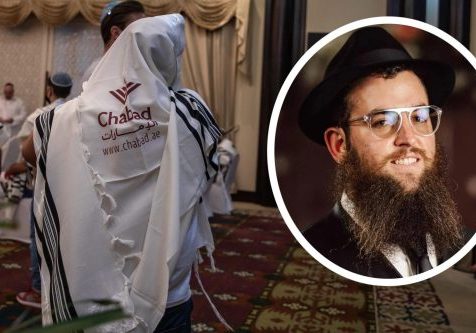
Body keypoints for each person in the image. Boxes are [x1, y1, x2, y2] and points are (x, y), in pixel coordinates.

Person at [22, 14, 224, 332]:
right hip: (169, 285)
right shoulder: (187, 111)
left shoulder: (65, 116)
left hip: (91, 287)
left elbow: (28, 151)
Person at [299, 26, 467, 278]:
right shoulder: (319, 256)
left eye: (420, 116)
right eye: (382, 121)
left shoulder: (461, 241)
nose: (409, 139)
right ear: (340, 145)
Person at [12, 72, 72, 308]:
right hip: (69, 185)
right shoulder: (76, 113)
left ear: (49, 90)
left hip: (44, 185)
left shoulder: (39, 116)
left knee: (37, 236)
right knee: (63, 238)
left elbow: (25, 154)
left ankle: (39, 290)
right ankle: (62, 288)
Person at [81, 0, 146, 84]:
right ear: (116, 33)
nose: (144, 36)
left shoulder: (133, 70)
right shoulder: (98, 74)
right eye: (138, 30)